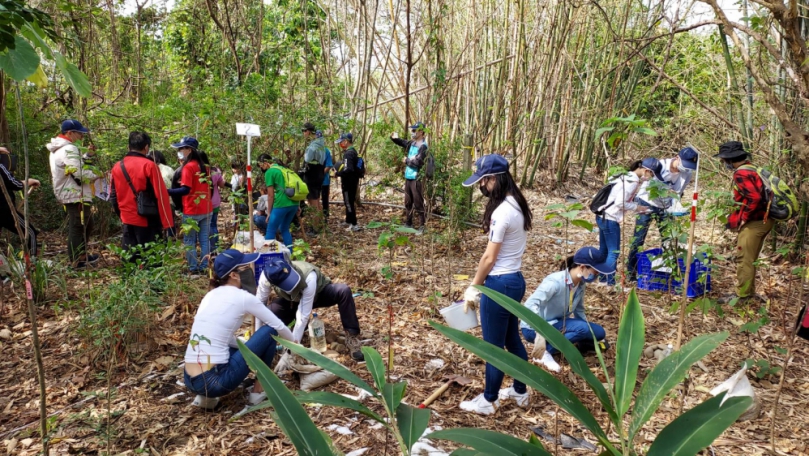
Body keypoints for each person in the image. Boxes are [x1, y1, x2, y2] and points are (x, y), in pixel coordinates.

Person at [459, 154, 533, 415]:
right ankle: (520, 390)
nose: (481, 187)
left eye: (483, 181)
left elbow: (489, 257)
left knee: (492, 347)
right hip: (515, 281)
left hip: (499, 283)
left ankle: (489, 400)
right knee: (512, 339)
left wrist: (474, 287)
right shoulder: (516, 204)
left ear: (493, 179)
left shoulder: (502, 212)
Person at [183, 249, 295, 409]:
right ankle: (258, 391)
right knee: (269, 332)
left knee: (214, 343)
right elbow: (277, 325)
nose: (249, 269)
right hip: (216, 383)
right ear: (233, 275)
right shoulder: (244, 298)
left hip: (189, 379)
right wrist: (296, 345)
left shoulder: (210, 295)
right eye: (244, 267)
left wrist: (250, 345)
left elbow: (225, 339)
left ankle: (204, 399)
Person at [520, 247, 614, 372]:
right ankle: (544, 352)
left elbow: (579, 310)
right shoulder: (555, 282)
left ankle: (573, 343)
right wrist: (540, 330)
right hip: (535, 328)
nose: (596, 275)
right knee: (583, 329)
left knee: (599, 333)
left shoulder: (580, 283)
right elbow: (531, 304)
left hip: (558, 323)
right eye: (595, 272)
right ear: (582, 267)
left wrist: (588, 333)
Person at [256, 257, 366, 361]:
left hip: (318, 294)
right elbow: (259, 307)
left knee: (343, 291)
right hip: (291, 301)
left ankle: (352, 336)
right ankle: (267, 345)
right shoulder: (266, 278)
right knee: (270, 314)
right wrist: (258, 338)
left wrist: (291, 350)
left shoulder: (309, 276)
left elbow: (303, 315)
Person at [627, 148, 699, 281]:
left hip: (666, 207)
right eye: (684, 164)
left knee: (668, 240)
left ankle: (668, 273)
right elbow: (650, 186)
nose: (685, 168)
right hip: (647, 201)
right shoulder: (659, 165)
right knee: (638, 239)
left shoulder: (687, 174)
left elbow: (678, 192)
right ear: (677, 158)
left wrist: (676, 205)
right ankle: (631, 273)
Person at [714, 141, 773, 303]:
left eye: (723, 160)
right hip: (765, 220)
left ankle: (743, 296)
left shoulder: (741, 173)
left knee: (744, 259)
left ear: (730, 160)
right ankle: (748, 292)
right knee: (750, 258)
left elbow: (754, 197)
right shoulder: (752, 168)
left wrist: (743, 219)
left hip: (755, 222)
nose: (723, 163)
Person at [593, 158, 662, 287]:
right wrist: (638, 207)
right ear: (646, 171)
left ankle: (602, 280)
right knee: (614, 252)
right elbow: (620, 202)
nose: (652, 178)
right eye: (652, 174)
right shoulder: (632, 182)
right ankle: (610, 283)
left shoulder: (625, 175)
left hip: (602, 215)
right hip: (610, 219)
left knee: (604, 250)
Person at [109, 132, 173, 257]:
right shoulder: (150, 166)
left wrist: (121, 216)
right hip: (148, 220)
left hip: (127, 220)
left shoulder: (117, 166)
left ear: (128, 147)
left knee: (130, 259)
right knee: (151, 259)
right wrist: (167, 224)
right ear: (146, 147)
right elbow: (161, 195)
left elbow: (113, 196)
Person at [46, 119, 100, 267]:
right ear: (70, 133)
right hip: (74, 193)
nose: (82, 137)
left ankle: (81, 255)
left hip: (72, 191)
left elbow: (73, 166)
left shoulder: (62, 149)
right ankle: (77, 260)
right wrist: (98, 175)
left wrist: (87, 156)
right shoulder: (68, 148)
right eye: (79, 133)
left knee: (87, 223)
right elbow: (79, 173)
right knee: (78, 225)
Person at [168, 136, 212, 274]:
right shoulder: (205, 167)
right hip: (206, 209)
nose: (179, 151)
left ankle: (193, 268)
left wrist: (166, 191)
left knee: (189, 240)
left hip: (192, 210)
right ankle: (205, 267)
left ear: (190, 150)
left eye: (182, 149)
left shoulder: (188, 167)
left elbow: (185, 189)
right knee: (204, 239)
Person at [0, 146, 40, 257]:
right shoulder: (1, 167)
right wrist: (30, 181)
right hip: (4, 210)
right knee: (30, 233)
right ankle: (30, 265)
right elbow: (15, 184)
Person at [390, 122, 428, 233]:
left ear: (421, 132)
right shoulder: (412, 143)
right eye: (412, 130)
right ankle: (409, 222)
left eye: (414, 130)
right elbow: (403, 142)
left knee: (418, 202)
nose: (413, 132)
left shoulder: (423, 146)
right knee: (408, 201)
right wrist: (394, 138)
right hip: (408, 176)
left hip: (417, 178)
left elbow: (418, 162)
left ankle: (422, 225)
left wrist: (406, 160)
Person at [258, 154, 299, 247]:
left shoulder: (270, 172)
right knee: (284, 229)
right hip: (294, 203)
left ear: (265, 163)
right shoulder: (284, 169)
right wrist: (298, 205)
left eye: (261, 165)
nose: (261, 168)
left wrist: (269, 213)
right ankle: (290, 254)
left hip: (281, 203)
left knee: (270, 229)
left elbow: (270, 195)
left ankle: (268, 256)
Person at [302, 122, 326, 232]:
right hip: (319, 172)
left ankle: (315, 228)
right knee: (317, 200)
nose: (303, 133)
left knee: (312, 202)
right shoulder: (321, 144)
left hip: (312, 173)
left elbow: (307, 159)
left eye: (304, 131)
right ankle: (320, 225)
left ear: (309, 131)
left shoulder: (312, 146)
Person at [334, 133, 362, 232]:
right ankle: (348, 220)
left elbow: (348, 169)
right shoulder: (353, 151)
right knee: (348, 201)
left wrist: (338, 173)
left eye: (341, 142)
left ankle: (354, 224)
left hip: (349, 182)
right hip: (353, 181)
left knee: (349, 202)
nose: (340, 144)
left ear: (346, 141)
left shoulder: (348, 153)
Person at [199, 152, 225, 251]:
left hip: (204, 203)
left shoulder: (199, 172)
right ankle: (215, 248)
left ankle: (208, 249)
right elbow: (221, 184)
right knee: (213, 225)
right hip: (215, 202)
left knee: (205, 227)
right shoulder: (215, 171)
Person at [320, 131, 333, 222]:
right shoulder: (312, 150)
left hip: (324, 180)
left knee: (324, 199)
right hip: (314, 182)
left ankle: (325, 217)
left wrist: (320, 175)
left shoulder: (326, 151)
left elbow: (328, 166)